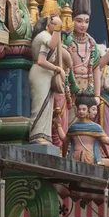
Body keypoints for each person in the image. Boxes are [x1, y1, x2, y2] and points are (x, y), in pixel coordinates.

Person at [54, 93, 109, 165]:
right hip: (89, 159)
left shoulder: (73, 127)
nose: (81, 111)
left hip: (74, 157)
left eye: (83, 109)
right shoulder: (95, 127)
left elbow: (64, 140)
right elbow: (108, 141)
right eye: (79, 109)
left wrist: (58, 125)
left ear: (89, 110)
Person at [29, 15, 66, 144]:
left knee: (47, 106)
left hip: (46, 75)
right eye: (55, 24)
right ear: (48, 24)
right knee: (40, 105)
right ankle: (36, 134)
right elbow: (41, 61)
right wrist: (57, 69)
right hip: (40, 74)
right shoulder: (44, 36)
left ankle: (45, 135)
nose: (57, 28)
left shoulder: (47, 36)